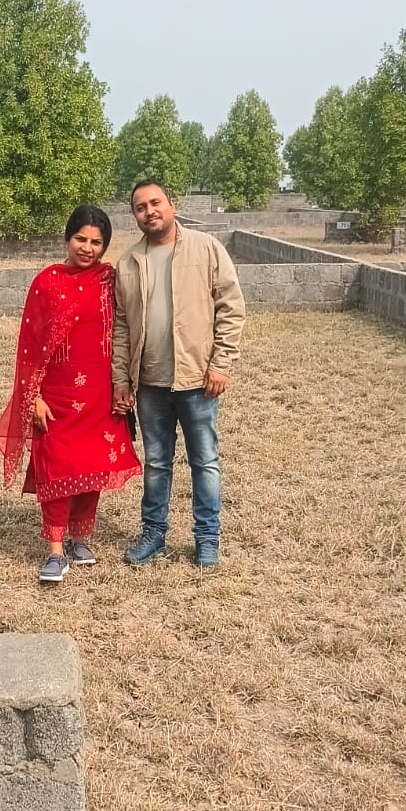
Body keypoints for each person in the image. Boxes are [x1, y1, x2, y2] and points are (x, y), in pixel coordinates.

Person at [0, 204, 141, 584]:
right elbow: (29, 346)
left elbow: (126, 331)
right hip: (57, 397)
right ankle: (56, 551)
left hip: (100, 395)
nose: (87, 248)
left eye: (96, 242)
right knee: (57, 467)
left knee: (92, 466)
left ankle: (80, 539)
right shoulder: (47, 283)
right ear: (67, 238)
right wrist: (33, 396)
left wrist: (125, 384)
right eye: (80, 239)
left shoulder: (109, 281)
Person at [112, 178, 246, 569]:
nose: (149, 211)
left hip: (197, 380)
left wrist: (220, 363)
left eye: (155, 203)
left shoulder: (206, 249)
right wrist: (121, 378)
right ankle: (153, 534)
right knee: (156, 463)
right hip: (150, 383)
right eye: (140, 207)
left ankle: (207, 538)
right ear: (134, 216)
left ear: (172, 204)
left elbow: (231, 307)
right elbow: (121, 327)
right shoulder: (128, 262)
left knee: (205, 462)